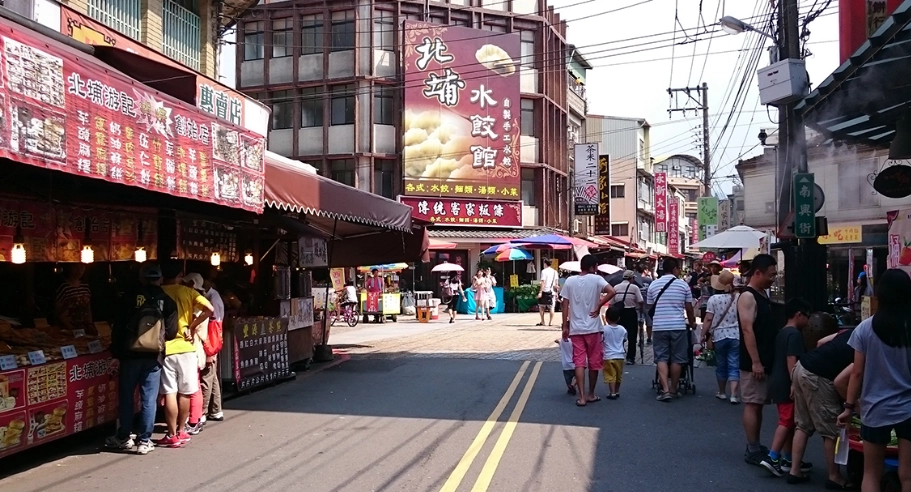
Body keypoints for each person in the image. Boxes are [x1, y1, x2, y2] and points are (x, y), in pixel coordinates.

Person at [838, 269, 911, 492]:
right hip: (909, 408)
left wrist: (849, 407)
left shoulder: (865, 328)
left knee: (871, 473)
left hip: (875, 408)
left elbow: (857, 373)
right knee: (907, 474)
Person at [106, 263, 177, 455]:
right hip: (154, 357)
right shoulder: (167, 301)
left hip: (130, 355)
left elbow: (118, 327)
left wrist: (116, 353)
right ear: (160, 279)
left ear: (141, 278)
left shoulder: (128, 298)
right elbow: (172, 332)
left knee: (127, 397)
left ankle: (123, 437)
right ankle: (145, 440)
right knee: (149, 399)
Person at [788, 327, 856, 487]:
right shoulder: (868, 343)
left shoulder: (850, 330)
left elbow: (820, 342)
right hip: (818, 376)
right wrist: (852, 404)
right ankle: (834, 477)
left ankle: (794, 471)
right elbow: (840, 383)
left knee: (803, 424)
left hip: (802, 366)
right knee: (831, 429)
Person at [157, 262, 214, 448]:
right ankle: (182, 431)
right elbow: (209, 310)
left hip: (167, 348)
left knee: (170, 392)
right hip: (187, 348)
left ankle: (171, 434)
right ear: (180, 274)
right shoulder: (188, 292)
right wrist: (192, 325)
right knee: (186, 392)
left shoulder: (159, 292)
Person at [760, 298, 813, 478]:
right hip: (787, 383)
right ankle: (773, 456)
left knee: (789, 422)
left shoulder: (782, 332)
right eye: (807, 317)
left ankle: (788, 458)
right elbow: (792, 360)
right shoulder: (795, 335)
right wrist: (794, 383)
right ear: (799, 315)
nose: (808, 321)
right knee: (787, 421)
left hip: (777, 381)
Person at [737, 253, 780, 467]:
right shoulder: (748, 296)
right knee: (753, 403)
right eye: (770, 275)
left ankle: (755, 445)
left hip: (764, 358)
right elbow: (747, 329)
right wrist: (755, 361)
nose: (773, 278)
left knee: (758, 404)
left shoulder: (761, 294)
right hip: (754, 360)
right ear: (757, 273)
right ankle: (752, 448)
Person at [560, 254, 616, 406]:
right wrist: (598, 306)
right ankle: (591, 394)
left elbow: (565, 305)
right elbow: (612, 291)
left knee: (579, 362)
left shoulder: (570, 281)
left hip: (576, 328)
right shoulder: (597, 279)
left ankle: (582, 397)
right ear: (593, 267)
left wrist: (565, 326)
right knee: (593, 362)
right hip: (593, 328)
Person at [647, 257, 696, 402]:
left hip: (659, 327)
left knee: (661, 357)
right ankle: (674, 389)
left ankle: (665, 390)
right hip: (678, 326)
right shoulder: (683, 285)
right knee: (678, 358)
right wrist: (692, 323)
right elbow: (689, 308)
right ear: (674, 269)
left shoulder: (653, 285)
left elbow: (650, 307)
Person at [702, 270, 741, 403]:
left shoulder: (713, 299)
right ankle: (734, 395)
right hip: (736, 335)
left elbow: (708, 319)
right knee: (734, 364)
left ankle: (722, 392)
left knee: (721, 364)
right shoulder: (738, 298)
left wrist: (703, 335)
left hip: (719, 336)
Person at [199, 275, 225, 424]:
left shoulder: (212, 299)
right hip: (214, 340)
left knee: (207, 377)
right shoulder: (214, 296)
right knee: (212, 376)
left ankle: (201, 413)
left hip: (211, 341)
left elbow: (212, 322)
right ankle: (216, 410)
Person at [611, 270, 644, 365]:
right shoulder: (634, 287)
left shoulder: (616, 287)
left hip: (618, 313)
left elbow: (612, 303)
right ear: (631, 278)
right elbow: (640, 301)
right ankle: (630, 358)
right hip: (630, 312)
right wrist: (639, 308)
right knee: (632, 336)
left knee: (618, 336)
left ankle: (617, 354)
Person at [55, 264, 94, 333]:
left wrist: (90, 324)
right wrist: (70, 327)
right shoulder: (64, 287)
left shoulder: (85, 287)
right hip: (69, 327)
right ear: (71, 268)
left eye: (82, 268)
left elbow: (88, 307)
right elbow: (58, 311)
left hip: (84, 327)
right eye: (76, 268)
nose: (79, 271)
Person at [602, 305, 627, 400]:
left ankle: (612, 392)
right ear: (619, 318)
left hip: (608, 355)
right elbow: (624, 340)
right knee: (618, 375)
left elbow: (601, 340)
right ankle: (617, 391)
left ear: (607, 318)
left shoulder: (604, 329)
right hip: (620, 355)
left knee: (610, 375)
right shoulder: (622, 329)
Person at [537, 257, 559, 326]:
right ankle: (551, 322)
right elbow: (556, 283)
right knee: (552, 307)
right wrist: (557, 293)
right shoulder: (555, 272)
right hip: (552, 292)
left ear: (545, 264)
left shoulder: (544, 271)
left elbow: (543, 282)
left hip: (545, 291)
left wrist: (540, 292)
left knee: (541, 306)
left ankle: (542, 321)